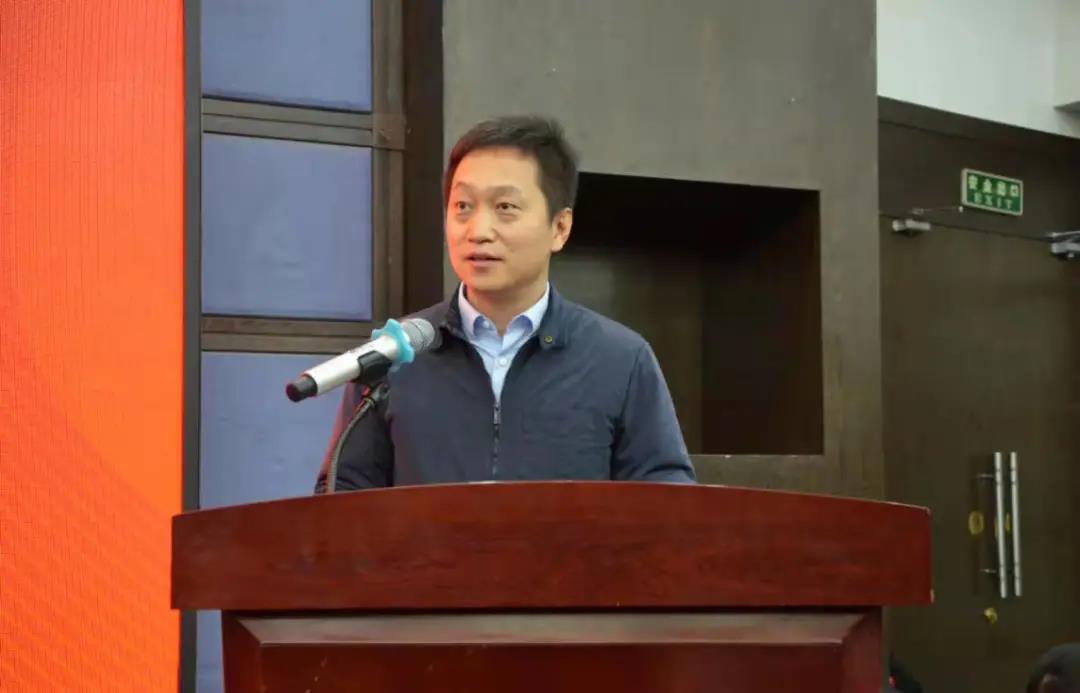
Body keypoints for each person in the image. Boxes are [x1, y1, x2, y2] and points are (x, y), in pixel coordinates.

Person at [315, 115, 695, 491]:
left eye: (505, 207)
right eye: (463, 206)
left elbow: (667, 498)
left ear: (560, 228)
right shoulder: (394, 357)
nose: (478, 231)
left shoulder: (621, 360)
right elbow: (341, 493)